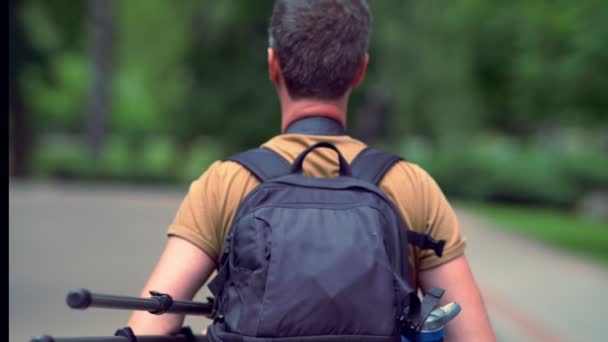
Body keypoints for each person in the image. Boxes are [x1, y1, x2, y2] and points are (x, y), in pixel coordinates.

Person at [128, 1, 496, 340]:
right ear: (360, 70)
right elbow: (474, 335)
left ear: (273, 64)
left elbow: (151, 323)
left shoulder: (226, 183)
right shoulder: (411, 186)